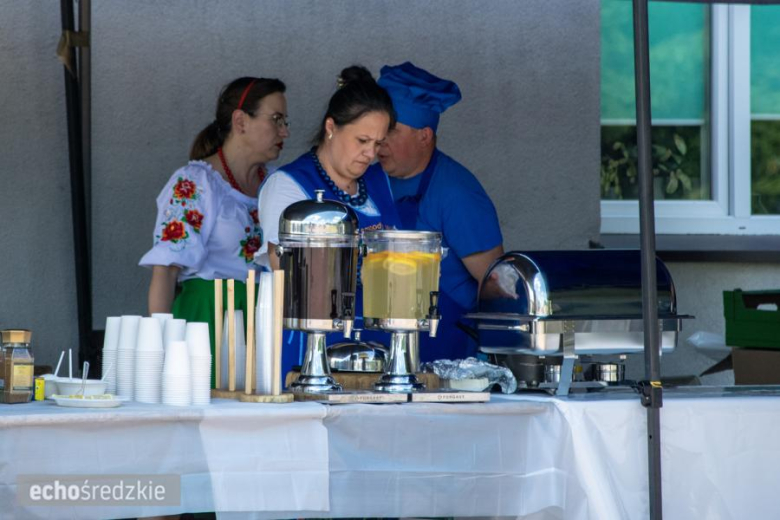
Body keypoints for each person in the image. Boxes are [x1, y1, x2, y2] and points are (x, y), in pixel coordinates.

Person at [140, 76, 289, 387]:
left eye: (285, 121)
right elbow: (165, 270)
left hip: (263, 324)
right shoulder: (196, 183)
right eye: (276, 120)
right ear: (240, 121)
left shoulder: (277, 185)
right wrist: (161, 348)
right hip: (207, 320)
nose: (284, 131)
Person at [257, 65, 399, 376]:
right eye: (361, 140)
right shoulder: (288, 185)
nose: (370, 154)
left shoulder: (378, 180)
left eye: (377, 144)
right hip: (310, 348)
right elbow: (285, 273)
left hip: (374, 342)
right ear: (331, 127)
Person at [373, 61, 504, 362]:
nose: (380, 142)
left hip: (447, 351)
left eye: (391, 130)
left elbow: (496, 285)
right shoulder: (368, 181)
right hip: (381, 347)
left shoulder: (456, 193)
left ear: (424, 136)